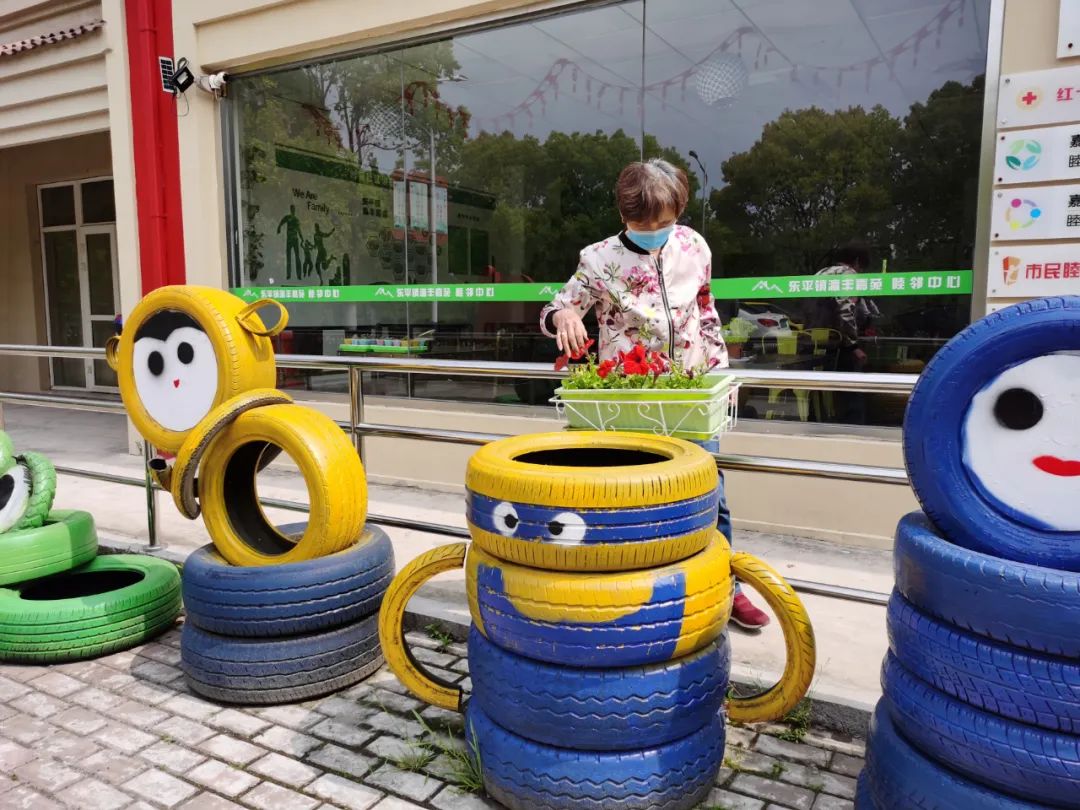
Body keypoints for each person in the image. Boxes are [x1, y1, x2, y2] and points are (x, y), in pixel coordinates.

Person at [540, 158, 771, 631]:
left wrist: (719, 379)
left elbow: (705, 311)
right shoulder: (598, 259)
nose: (653, 231)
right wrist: (562, 317)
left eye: (663, 223)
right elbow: (558, 309)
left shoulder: (693, 245)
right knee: (632, 499)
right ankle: (637, 596)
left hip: (689, 395)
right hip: (628, 399)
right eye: (642, 224)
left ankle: (726, 585)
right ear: (623, 215)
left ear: (677, 213)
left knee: (711, 495)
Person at [810, 242, 881, 424]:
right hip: (840, 343)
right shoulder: (849, 276)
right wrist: (853, 346)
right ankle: (853, 429)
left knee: (817, 388)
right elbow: (845, 311)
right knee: (851, 388)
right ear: (857, 262)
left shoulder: (821, 273)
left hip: (815, 340)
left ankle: (819, 422)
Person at [277, 205, 303, 280]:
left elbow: (299, 229)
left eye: (294, 209)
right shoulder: (288, 217)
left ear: (295, 210)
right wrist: (279, 227)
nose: (293, 210)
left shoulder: (296, 219)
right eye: (292, 209)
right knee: (289, 257)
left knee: (297, 257)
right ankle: (288, 274)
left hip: (295, 239)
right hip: (289, 240)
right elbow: (282, 221)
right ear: (290, 209)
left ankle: (299, 274)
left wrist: (301, 238)